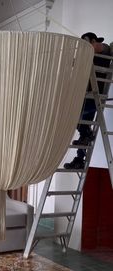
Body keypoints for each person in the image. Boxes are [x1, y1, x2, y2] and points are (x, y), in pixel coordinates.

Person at [64, 32, 111, 169]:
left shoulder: (104, 53)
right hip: (88, 96)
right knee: (83, 126)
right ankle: (80, 157)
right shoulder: (90, 56)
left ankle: (85, 139)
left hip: (95, 96)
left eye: (90, 45)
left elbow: (106, 48)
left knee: (76, 117)